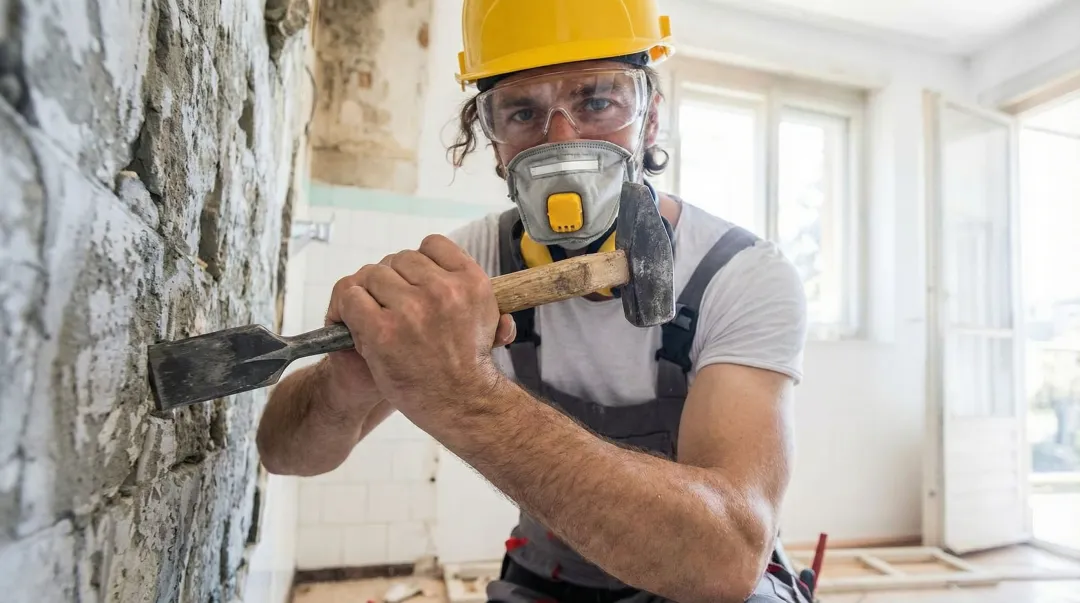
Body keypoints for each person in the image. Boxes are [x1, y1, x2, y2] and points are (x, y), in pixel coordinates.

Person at [256, 1, 810, 601]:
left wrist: (464, 394)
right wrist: (346, 379)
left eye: (597, 102)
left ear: (649, 119)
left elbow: (724, 560)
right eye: (523, 112)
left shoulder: (737, 275)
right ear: (492, 142)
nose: (562, 141)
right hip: (551, 574)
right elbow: (285, 454)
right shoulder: (466, 272)